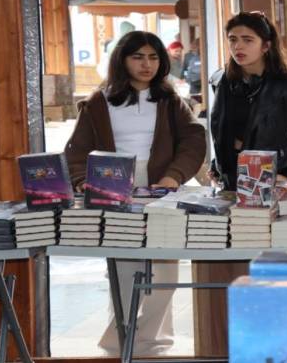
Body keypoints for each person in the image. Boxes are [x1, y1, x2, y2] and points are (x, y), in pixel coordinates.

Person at [64, 31, 206, 356]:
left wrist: (174, 176)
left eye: (153, 57)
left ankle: (152, 344)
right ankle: (120, 342)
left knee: (166, 268)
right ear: (122, 60)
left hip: (162, 187)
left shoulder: (171, 101)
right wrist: (82, 179)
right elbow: (77, 149)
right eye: (138, 57)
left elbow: (194, 140)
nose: (146, 64)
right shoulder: (99, 102)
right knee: (123, 268)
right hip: (114, 184)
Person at [209, 11, 287, 189]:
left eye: (247, 40)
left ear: (265, 46)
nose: (238, 47)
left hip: (271, 179)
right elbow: (224, 131)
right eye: (232, 39)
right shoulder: (220, 81)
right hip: (229, 180)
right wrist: (217, 164)